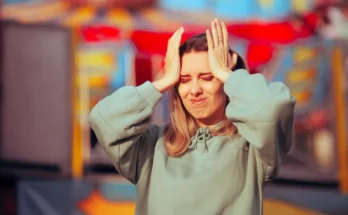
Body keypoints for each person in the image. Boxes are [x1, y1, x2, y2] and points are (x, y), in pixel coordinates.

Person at [89, 18, 296, 215]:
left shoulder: (254, 146)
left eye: (207, 77)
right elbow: (104, 118)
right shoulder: (151, 145)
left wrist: (227, 74)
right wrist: (162, 81)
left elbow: (274, 105)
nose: (194, 90)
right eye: (184, 80)